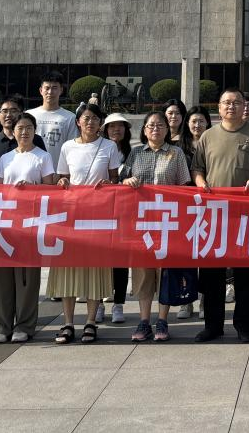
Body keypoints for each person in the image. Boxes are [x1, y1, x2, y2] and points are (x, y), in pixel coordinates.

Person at [191, 88, 249, 343]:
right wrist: (200, 183)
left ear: (244, 107)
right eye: (226, 102)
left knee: (244, 275)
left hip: (244, 215)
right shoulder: (208, 135)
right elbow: (197, 167)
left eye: (236, 102)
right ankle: (213, 325)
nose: (231, 106)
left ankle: (243, 325)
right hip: (213, 215)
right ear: (218, 107)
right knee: (212, 275)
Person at [50, 103, 122, 345]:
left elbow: (115, 180)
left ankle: (91, 321)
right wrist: (62, 183)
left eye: (95, 119)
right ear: (78, 122)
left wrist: (109, 185)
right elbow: (63, 177)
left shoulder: (109, 146)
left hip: (98, 216)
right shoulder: (67, 147)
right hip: (71, 215)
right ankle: (68, 322)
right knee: (67, 269)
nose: (90, 122)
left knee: (95, 269)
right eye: (86, 118)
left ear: (101, 123)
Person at [120, 111, 192, 342]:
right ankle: (144, 321)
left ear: (167, 129)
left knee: (165, 273)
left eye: (160, 125)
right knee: (143, 273)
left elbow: (184, 185)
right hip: (141, 223)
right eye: (150, 125)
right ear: (144, 129)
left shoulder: (176, 153)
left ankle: (162, 320)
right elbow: (122, 179)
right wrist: (127, 181)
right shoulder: (135, 153)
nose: (155, 129)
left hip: (167, 223)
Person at [0, 112, 55, 343]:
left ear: (35, 131)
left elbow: (51, 190)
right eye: (20, 128)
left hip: (30, 222)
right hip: (5, 222)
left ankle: (25, 325)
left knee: (27, 277)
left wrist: (31, 188)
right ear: (14, 131)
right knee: (2, 276)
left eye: (29, 128)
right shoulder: (5, 158)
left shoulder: (43, 157)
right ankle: (2, 325)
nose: (24, 132)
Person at [98, 114, 133, 325]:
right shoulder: (99, 149)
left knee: (120, 261)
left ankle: (118, 303)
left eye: (120, 126)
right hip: (101, 211)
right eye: (112, 127)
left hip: (124, 213)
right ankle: (99, 303)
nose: (116, 130)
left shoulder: (132, 152)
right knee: (101, 261)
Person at [28, 71, 77, 155]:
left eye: (54, 88)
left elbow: (72, 148)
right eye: (47, 88)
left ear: (61, 90)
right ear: (41, 90)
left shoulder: (70, 118)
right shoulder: (29, 115)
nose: (50, 92)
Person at [0, 96, 46, 162]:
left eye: (13, 111)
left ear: (21, 113)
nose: (8, 115)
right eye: (4, 111)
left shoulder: (35, 140)